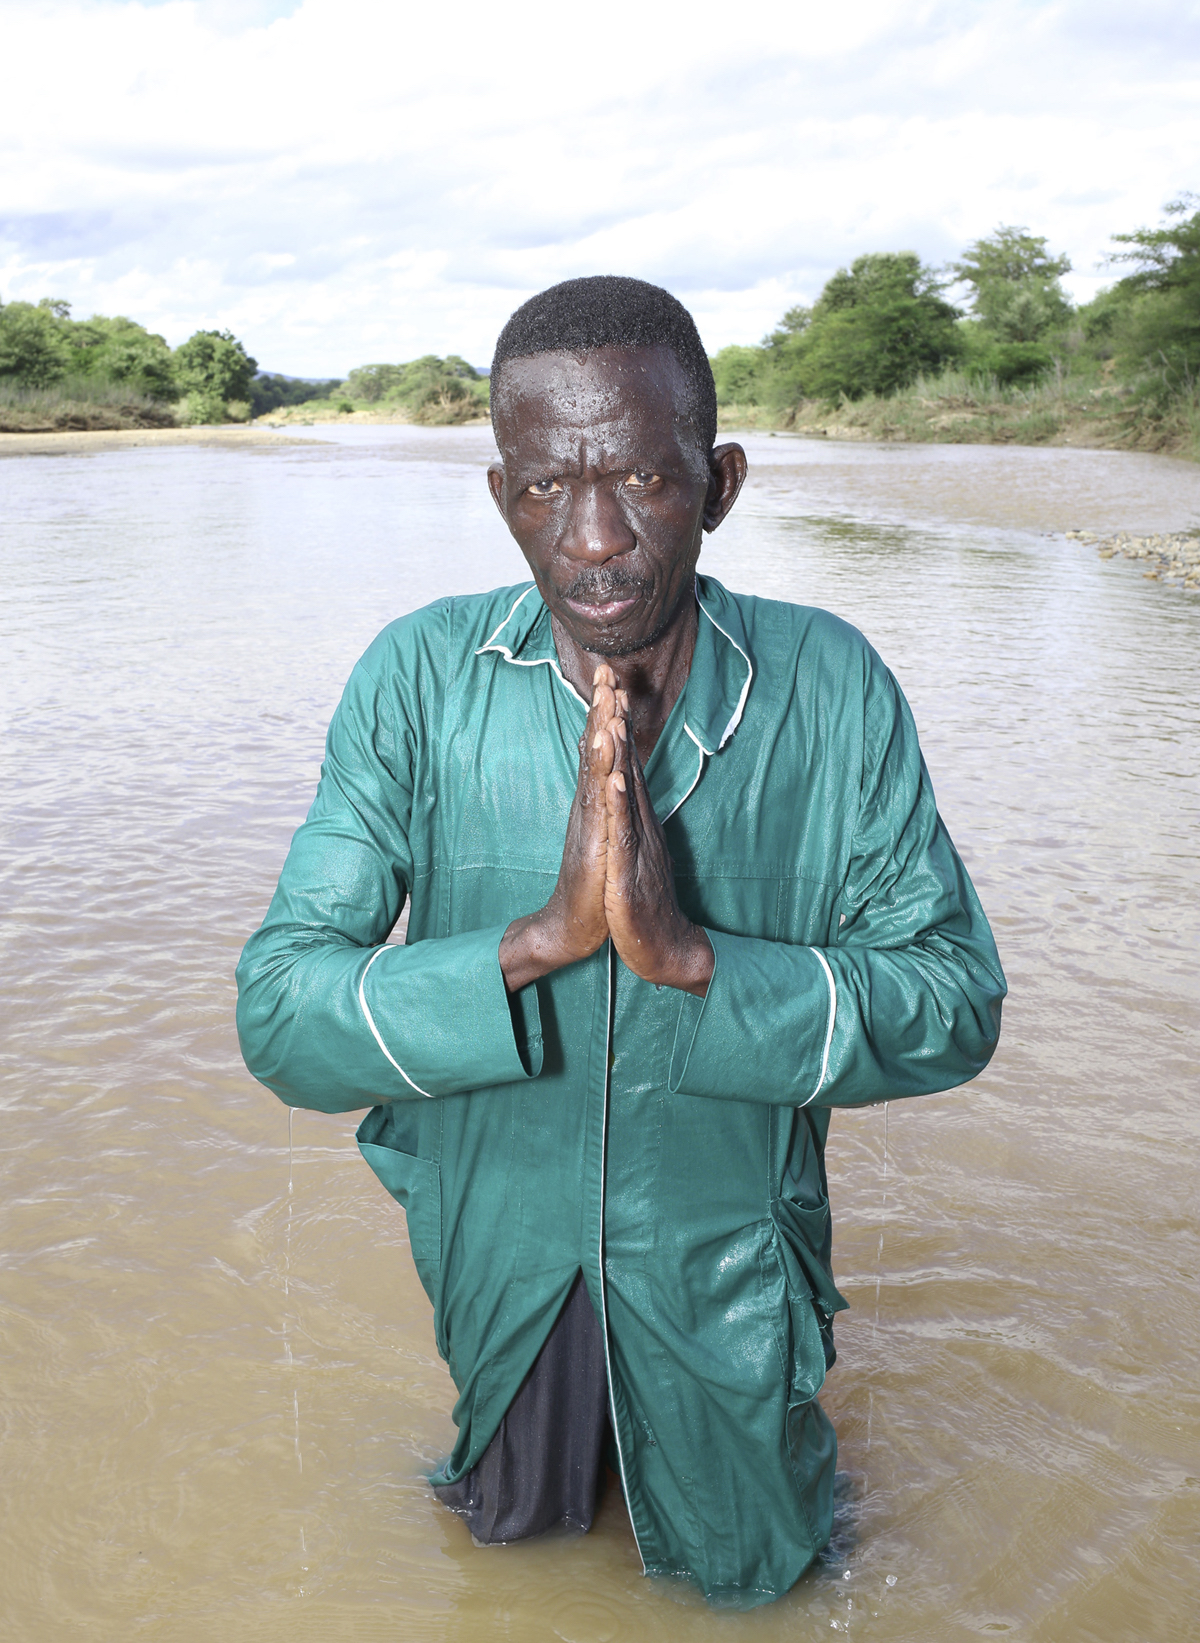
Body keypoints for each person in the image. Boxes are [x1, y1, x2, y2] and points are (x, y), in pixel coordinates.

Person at [236, 275, 1005, 1606]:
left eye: (643, 483)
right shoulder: (416, 682)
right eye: (546, 491)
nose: (595, 542)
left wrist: (694, 959)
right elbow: (282, 1017)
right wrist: (534, 942)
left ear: (719, 482)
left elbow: (955, 1003)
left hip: (732, 1270)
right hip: (498, 1245)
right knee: (507, 1541)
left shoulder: (830, 686)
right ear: (498, 496)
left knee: (759, 1566)